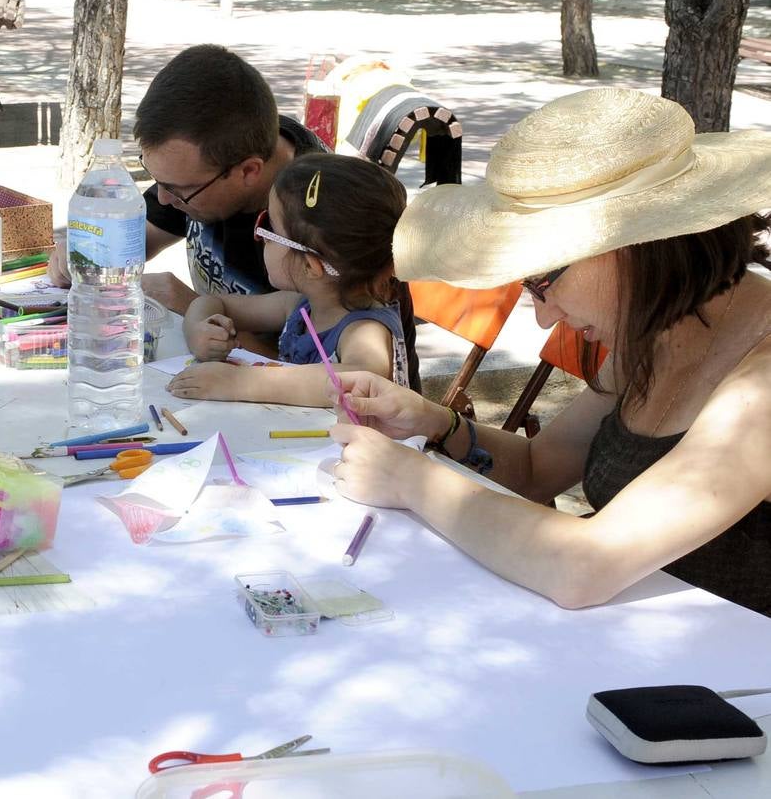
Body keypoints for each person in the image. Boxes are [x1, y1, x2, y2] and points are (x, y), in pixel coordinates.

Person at [327, 88, 771, 616]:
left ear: (630, 248)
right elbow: (539, 467)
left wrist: (410, 479)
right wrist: (432, 422)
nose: (541, 314)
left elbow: (583, 566)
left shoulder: (760, 378)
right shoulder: (653, 329)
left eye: (542, 281)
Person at [48, 45, 323, 335]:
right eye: (160, 181)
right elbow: (134, 241)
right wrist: (86, 257)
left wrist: (195, 308)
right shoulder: (207, 162)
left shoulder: (320, 220)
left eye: (178, 190)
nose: (164, 199)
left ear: (248, 171)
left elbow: (308, 362)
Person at [169, 153, 418, 404]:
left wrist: (240, 382)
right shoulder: (299, 305)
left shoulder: (365, 329)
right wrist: (199, 331)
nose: (261, 235)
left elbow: (360, 377)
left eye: (270, 226)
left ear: (311, 266)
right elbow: (213, 302)